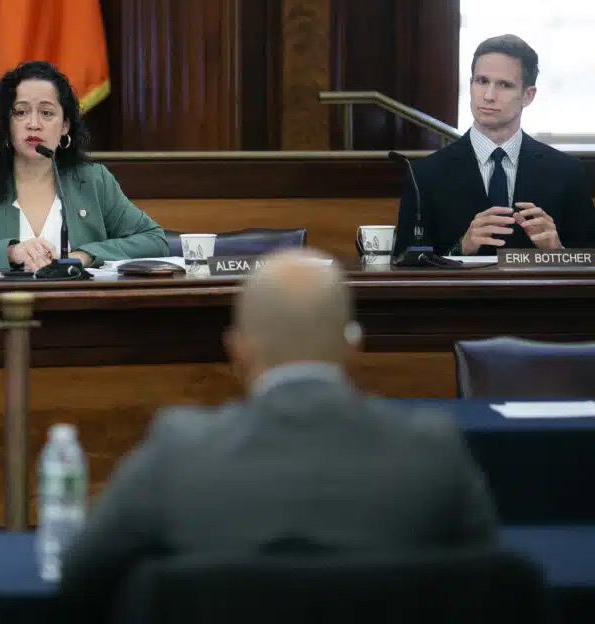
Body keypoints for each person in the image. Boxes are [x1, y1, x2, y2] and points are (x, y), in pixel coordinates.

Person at [60, 250, 497, 616]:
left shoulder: (179, 451)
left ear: (237, 348)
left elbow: (82, 575)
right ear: (354, 348)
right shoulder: (431, 450)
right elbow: (494, 593)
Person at [0, 61, 168, 271]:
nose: (33, 124)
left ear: (65, 126)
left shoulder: (93, 181)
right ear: (6, 124)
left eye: (47, 113)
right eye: (21, 112)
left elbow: (154, 240)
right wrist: (9, 253)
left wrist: (85, 256)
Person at [394, 34, 595, 258]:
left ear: (528, 96)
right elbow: (404, 263)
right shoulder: (424, 174)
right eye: (481, 81)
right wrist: (461, 249)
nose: (488, 96)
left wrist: (557, 251)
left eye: (504, 85)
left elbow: (589, 266)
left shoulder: (567, 172)